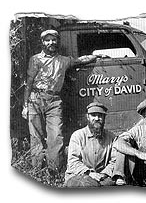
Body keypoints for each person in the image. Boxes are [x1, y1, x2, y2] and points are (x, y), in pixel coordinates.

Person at [21, 29, 104, 172]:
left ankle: (54, 172)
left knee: (56, 137)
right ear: (42, 42)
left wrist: (95, 56)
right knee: (36, 137)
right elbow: (28, 83)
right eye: (47, 40)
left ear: (57, 41)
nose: (51, 42)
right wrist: (25, 105)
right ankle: (37, 171)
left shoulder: (63, 60)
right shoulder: (35, 60)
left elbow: (79, 60)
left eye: (53, 39)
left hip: (54, 102)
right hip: (35, 99)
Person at [64, 102, 117, 187]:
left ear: (104, 118)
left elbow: (114, 161)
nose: (97, 118)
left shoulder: (111, 137)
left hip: (102, 177)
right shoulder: (77, 136)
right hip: (79, 175)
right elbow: (73, 162)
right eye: (93, 115)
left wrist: (104, 174)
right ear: (87, 117)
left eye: (100, 116)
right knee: (84, 184)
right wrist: (89, 173)